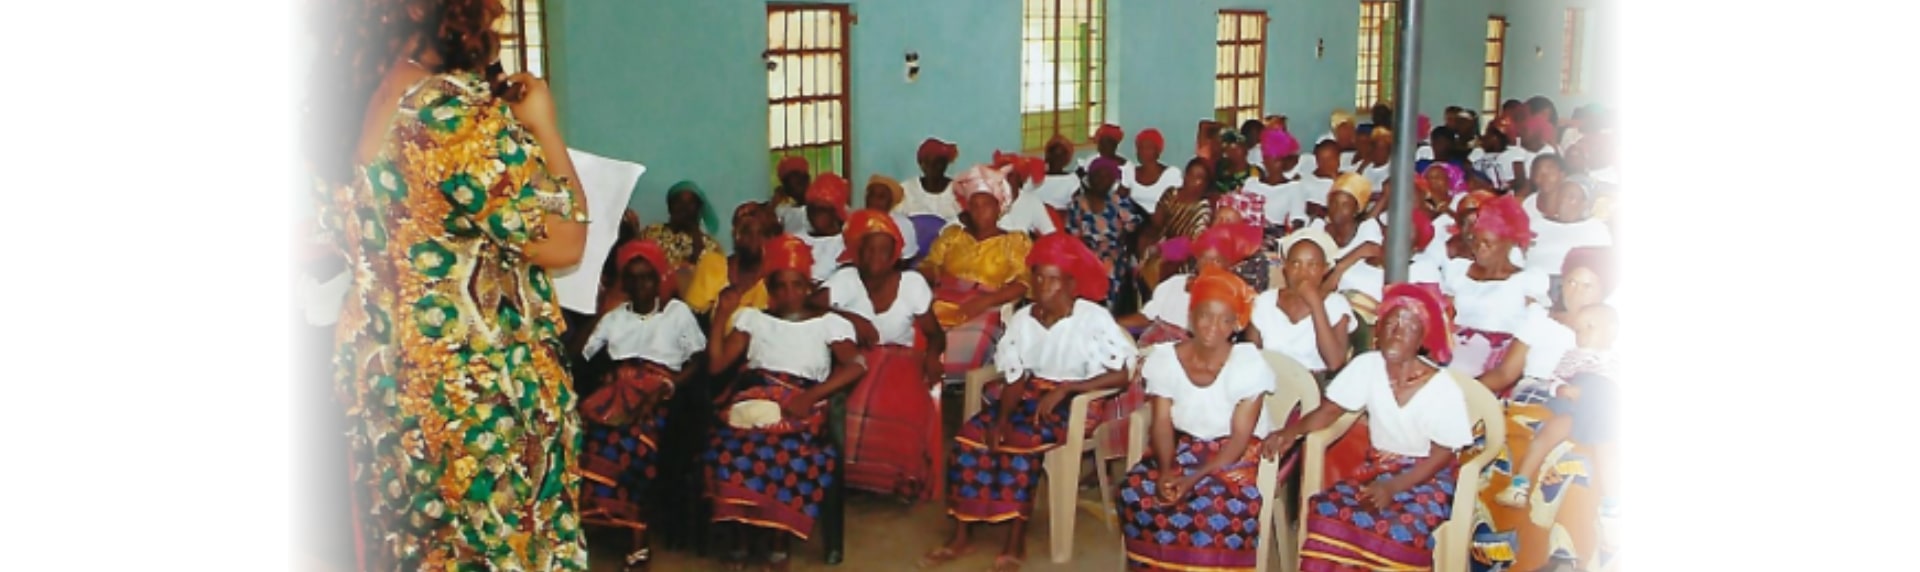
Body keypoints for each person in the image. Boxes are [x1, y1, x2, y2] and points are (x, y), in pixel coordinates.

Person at [314, 0, 590, 566]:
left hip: (397, 393)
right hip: (476, 402)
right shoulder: (445, 111)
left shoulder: (353, 110)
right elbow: (564, 239)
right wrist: (544, 125)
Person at [921, 232, 1139, 572]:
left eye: (1053, 279)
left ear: (1070, 283)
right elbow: (1014, 376)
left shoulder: (1092, 318)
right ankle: (962, 534)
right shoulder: (1024, 320)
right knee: (970, 437)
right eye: (1038, 277)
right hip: (1029, 396)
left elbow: (1121, 375)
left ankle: (1015, 539)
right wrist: (1002, 419)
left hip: (1077, 401)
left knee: (1022, 447)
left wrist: (1069, 389)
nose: (1043, 285)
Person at [1260, 283, 1475, 572]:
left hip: (1427, 477)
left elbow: (1443, 455)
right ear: (1377, 331)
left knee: (1400, 530)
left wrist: (1393, 487)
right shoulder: (1367, 366)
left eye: (1408, 327)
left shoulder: (1442, 389)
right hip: (1377, 468)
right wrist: (1290, 432)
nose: (1397, 333)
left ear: (1423, 338)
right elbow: (1328, 411)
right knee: (1327, 510)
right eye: (1390, 324)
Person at [703, 234, 867, 572]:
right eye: (779, 287)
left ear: (808, 286)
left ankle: (777, 540)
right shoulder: (754, 320)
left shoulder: (828, 324)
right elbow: (717, 365)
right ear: (770, 290)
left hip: (801, 404)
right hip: (754, 399)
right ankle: (742, 537)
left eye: (796, 285)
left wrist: (811, 396)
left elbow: (856, 365)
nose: (788, 294)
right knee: (729, 448)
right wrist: (722, 316)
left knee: (784, 452)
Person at [1118, 266, 1274, 571]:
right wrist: (1166, 471)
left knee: (1216, 510)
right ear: (1191, 316)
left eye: (1224, 319)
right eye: (1205, 315)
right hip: (1182, 448)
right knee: (1136, 491)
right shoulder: (1165, 359)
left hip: (1233, 457)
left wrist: (1190, 479)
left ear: (1236, 325)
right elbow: (1161, 422)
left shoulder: (1248, 365)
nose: (1212, 326)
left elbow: (1239, 441)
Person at [1474, 247, 1616, 571]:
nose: (1576, 292)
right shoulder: (1539, 318)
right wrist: (1460, 393)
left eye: (1588, 285)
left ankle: (1564, 557)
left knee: (1577, 461)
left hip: (1579, 416)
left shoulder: (1606, 332)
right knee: (1506, 454)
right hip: (1529, 406)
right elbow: (1505, 374)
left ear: (1604, 292)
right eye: (1571, 282)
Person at [574, 240, 706, 571]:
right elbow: (579, 354)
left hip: (660, 392)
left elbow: (699, 360)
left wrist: (669, 385)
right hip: (617, 392)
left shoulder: (677, 313)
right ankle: (597, 529)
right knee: (587, 439)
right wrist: (603, 310)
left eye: (647, 277)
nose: (640, 285)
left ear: (659, 278)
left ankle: (638, 539)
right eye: (631, 278)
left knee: (631, 444)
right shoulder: (616, 317)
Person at [821, 210, 947, 500]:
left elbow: (935, 333)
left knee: (898, 409)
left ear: (894, 254)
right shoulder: (846, 279)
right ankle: (853, 478)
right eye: (869, 249)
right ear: (857, 252)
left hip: (901, 360)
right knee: (848, 403)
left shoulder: (912, 284)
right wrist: (853, 318)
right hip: (857, 359)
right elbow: (810, 305)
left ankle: (895, 480)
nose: (876, 256)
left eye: (884, 250)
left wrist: (932, 356)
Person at [1497, 304, 1618, 509]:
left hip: (1599, 410)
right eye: (1578, 330)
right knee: (1550, 431)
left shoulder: (1619, 358)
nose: (1583, 334)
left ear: (1612, 330)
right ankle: (1519, 483)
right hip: (1571, 407)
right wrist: (1561, 389)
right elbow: (1555, 379)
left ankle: (1611, 500)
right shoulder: (1573, 355)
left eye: (1591, 326)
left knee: (1607, 442)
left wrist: (1591, 393)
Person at [920, 164, 1034, 382]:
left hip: (986, 306)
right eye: (974, 205)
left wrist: (986, 301)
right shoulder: (952, 236)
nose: (980, 211)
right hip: (941, 303)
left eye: (987, 205)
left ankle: (958, 388)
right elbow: (930, 265)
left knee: (972, 341)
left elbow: (1023, 283)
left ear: (999, 207)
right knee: (915, 332)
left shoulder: (1014, 242)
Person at [1441, 195, 1545, 389]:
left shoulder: (1527, 281)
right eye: (1475, 241)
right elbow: (1444, 316)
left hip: (1494, 364)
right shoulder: (1459, 271)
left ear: (1508, 243)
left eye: (1488, 243)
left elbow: (1532, 331)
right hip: (1453, 353)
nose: (1479, 249)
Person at [1119, 221, 1263, 345]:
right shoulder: (1175, 283)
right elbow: (1146, 318)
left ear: (1229, 264)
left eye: (1216, 260)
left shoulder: (1234, 294)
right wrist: (1108, 323)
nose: (1209, 265)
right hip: (1152, 348)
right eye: (1204, 259)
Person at [1247, 229, 1355, 376]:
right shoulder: (1265, 301)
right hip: (1269, 383)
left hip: (1312, 387)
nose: (1303, 273)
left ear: (1324, 269)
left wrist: (1316, 304)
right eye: (1296, 264)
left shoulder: (1336, 305)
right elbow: (1250, 356)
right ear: (1285, 268)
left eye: (1312, 265)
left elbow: (1334, 362)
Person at [1063, 157, 1144, 310]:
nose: (1102, 179)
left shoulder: (1119, 202)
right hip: (1084, 252)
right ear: (1090, 177)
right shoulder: (1077, 203)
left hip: (1114, 252)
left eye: (1107, 176)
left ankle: (1106, 311)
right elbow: (1071, 237)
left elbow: (1135, 228)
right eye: (1097, 175)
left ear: (1113, 180)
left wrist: (1123, 244)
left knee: (1108, 263)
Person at [686, 203, 780, 328]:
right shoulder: (712, 264)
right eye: (747, 232)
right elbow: (691, 321)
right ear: (736, 236)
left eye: (762, 233)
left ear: (772, 239)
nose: (754, 239)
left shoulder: (778, 277)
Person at [1139, 158, 1218, 288]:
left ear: (1206, 183)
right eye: (1190, 175)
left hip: (1183, 259)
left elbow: (1194, 244)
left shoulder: (1203, 208)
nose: (1192, 181)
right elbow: (1157, 223)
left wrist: (1164, 251)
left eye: (1199, 178)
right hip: (1161, 246)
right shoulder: (1171, 193)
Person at [1246, 128, 1309, 233]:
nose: (1275, 165)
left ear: (1284, 162)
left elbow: (1298, 218)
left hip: (1273, 235)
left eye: (1278, 161)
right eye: (1269, 159)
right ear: (1264, 160)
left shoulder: (1294, 187)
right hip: (1247, 233)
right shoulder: (1251, 184)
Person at [800, 173, 853, 282]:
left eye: (821, 209)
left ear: (836, 212)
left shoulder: (847, 242)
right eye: (811, 208)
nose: (814, 213)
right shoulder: (796, 239)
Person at [992, 151, 1060, 236]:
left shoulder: (1032, 202)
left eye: (1010, 175)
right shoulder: (989, 200)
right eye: (1001, 174)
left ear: (1019, 178)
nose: (1004, 178)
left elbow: (1051, 235)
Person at [900, 138, 962, 222]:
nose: (932, 167)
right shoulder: (907, 189)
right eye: (927, 162)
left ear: (945, 164)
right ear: (921, 164)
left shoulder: (958, 190)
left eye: (938, 162)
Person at [862, 174, 922, 261]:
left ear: (891, 202)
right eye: (871, 194)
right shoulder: (854, 221)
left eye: (881, 197)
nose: (874, 200)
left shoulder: (903, 225)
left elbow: (906, 260)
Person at [1122, 129, 1181, 216]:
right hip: (1136, 224)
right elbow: (1119, 200)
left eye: (1148, 148)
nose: (1143, 152)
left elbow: (1177, 206)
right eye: (1140, 147)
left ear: (1158, 151)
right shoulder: (1130, 172)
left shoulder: (1171, 174)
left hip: (1161, 225)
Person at [1032, 135, 1084, 210]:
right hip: (1062, 220)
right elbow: (1078, 207)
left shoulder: (1034, 179)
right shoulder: (1073, 180)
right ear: (1067, 159)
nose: (1057, 160)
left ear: (1047, 156)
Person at [1213, 129, 1263, 195]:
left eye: (1238, 149)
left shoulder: (1255, 172)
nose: (1236, 153)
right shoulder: (1221, 173)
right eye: (1231, 150)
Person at [774, 156, 814, 234]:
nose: (797, 181)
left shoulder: (824, 207)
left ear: (808, 179)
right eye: (787, 181)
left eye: (800, 177)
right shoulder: (782, 211)